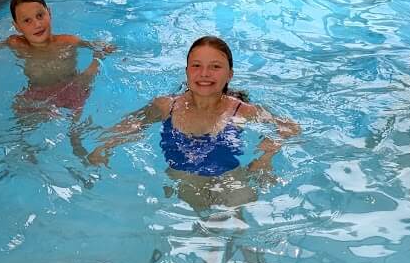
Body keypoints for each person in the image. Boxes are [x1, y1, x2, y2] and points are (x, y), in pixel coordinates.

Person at [86, 36, 299, 210]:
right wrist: (104, 147)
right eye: (196, 66)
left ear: (230, 75)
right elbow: (133, 124)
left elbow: (290, 128)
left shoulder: (243, 110)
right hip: (182, 179)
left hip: (229, 179)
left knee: (239, 203)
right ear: (187, 71)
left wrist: (267, 156)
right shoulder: (166, 106)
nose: (204, 73)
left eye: (215, 66)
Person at [0, 0, 115, 117]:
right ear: (17, 26)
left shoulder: (69, 41)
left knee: (76, 127)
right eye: (27, 21)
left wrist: (103, 51)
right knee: (19, 112)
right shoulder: (17, 44)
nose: (37, 24)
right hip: (38, 95)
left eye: (40, 16)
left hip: (71, 88)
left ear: (49, 13)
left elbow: (99, 46)